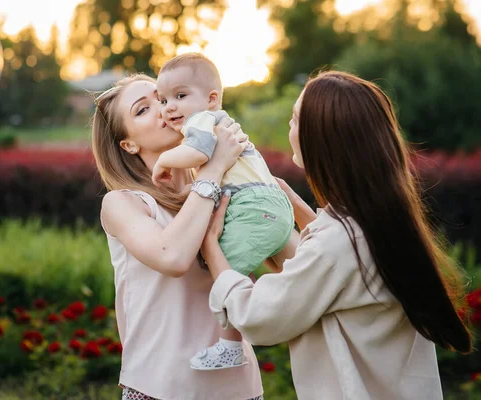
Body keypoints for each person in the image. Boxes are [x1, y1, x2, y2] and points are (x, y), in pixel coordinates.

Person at [201, 71, 472, 400]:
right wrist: (294, 207)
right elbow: (327, 267)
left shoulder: (338, 244)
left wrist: (212, 247)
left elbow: (260, 316)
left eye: (297, 119)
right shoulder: (378, 221)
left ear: (323, 142)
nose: (290, 126)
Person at [92, 73, 264, 400]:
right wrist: (212, 169)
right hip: (161, 386)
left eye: (164, 98)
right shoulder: (124, 203)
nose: (164, 109)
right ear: (128, 144)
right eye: (143, 110)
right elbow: (173, 257)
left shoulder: (225, 191)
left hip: (238, 388)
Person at [153, 53, 295, 371]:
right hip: (265, 206)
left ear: (212, 98)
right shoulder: (219, 124)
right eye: (163, 100)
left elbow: (197, 152)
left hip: (253, 207)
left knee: (225, 269)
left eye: (180, 96)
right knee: (249, 269)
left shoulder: (203, 121)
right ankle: (270, 314)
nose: (169, 108)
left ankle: (231, 345)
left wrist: (164, 161)